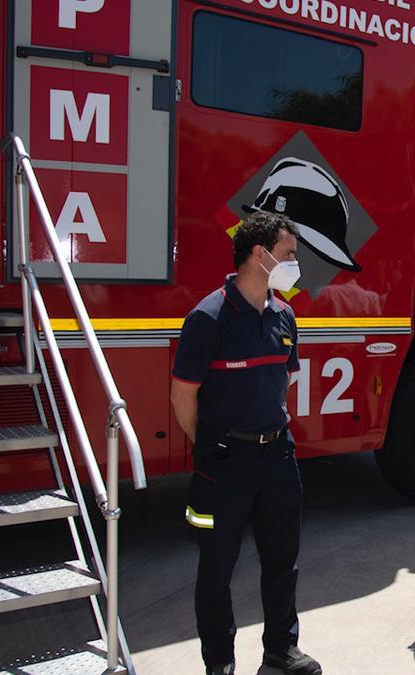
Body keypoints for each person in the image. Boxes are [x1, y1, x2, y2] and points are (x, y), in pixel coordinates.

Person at [170, 211, 321, 675]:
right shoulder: (207, 317)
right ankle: (220, 662)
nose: (295, 263)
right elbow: (183, 397)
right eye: (289, 254)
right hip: (225, 460)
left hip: (277, 454)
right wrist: (215, 445)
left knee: (283, 561)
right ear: (260, 255)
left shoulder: (285, 314)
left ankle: (281, 647)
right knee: (216, 569)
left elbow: (282, 384)